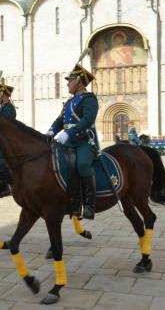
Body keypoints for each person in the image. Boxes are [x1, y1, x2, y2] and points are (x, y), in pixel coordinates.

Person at [47, 63, 98, 220]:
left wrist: (69, 132)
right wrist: (51, 131)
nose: (67, 83)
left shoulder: (90, 99)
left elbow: (88, 119)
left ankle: (89, 205)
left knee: (82, 164)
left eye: (70, 80)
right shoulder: (69, 102)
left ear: (80, 82)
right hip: (67, 141)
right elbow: (60, 120)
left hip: (84, 141)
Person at [0, 78, 17, 198]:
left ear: (3, 95)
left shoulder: (9, 108)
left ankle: (9, 184)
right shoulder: (2, 108)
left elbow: (4, 126)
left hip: (6, 140)